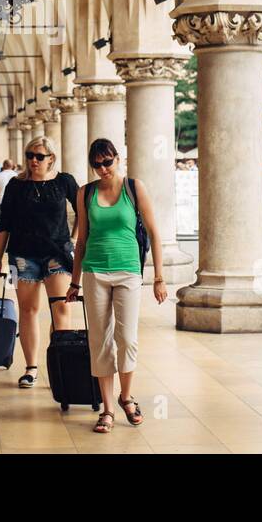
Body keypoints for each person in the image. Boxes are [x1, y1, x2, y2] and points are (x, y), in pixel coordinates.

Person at [67, 138, 166, 434]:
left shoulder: (134, 188)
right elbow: (81, 240)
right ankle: (107, 409)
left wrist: (158, 278)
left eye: (107, 162)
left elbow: (154, 233)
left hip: (128, 271)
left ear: (117, 159)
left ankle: (126, 396)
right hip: (94, 272)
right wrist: (74, 281)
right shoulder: (85, 193)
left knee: (127, 337)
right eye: (96, 164)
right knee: (100, 340)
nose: (102, 169)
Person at [0, 135, 79, 388]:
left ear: (51, 158)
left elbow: (84, 209)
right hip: (21, 256)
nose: (34, 161)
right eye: (30, 156)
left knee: (61, 308)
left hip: (58, 255)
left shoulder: (64, 181)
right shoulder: (16, 185)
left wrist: (74, 239)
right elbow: (4, 224)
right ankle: (31, 368)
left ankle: (60, 366)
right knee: (28, 310)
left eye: (39, 156)